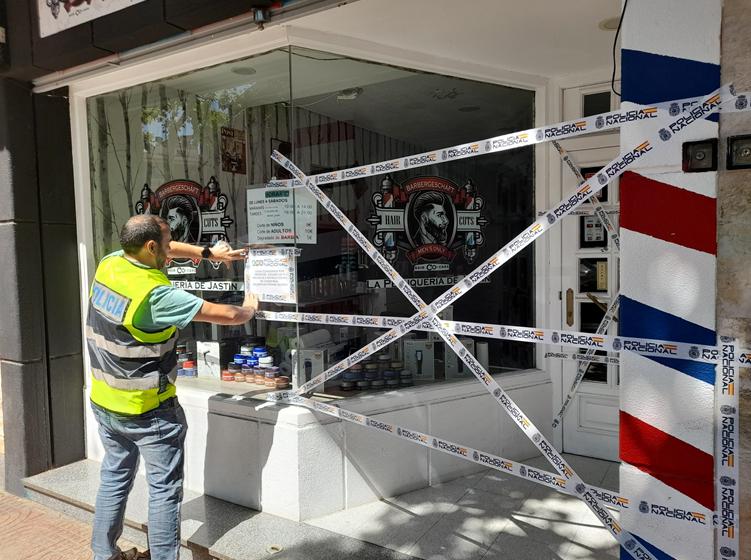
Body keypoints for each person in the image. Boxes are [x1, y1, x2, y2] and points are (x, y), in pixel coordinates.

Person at [87, 214, 257, 560]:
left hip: (106, 402)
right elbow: (227, 316)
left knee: (114, 477)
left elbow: (167, 246)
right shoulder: (156, 295)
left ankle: (103, 554)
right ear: (151, 247)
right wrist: (251, 306)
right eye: (165, 244)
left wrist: (208, 253)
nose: (171, 249)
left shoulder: (111, 263)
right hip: (150, 410)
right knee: (164, 491)